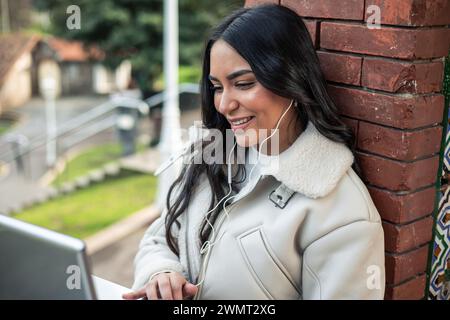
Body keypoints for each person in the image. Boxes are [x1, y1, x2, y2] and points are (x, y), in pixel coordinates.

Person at [123, 4, 385, 300]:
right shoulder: (213, 157)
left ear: (291, 80)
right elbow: (160, 237)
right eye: (217, 87)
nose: (223, 105)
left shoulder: (343, 213)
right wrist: (162, 273)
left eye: (243, 84)